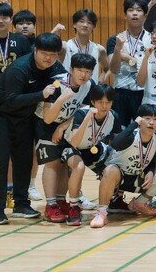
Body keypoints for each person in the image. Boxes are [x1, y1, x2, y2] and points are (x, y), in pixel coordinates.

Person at [0, 33, 66, 224]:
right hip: (1, 116)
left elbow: (68, 79)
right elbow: (12, 99)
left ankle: (21, 204)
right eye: (44, 53)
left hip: (25, 117)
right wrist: (41, 95)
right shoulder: (20, 68)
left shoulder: (55, 67)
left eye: (53, 54)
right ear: (35, 50)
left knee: (24, 161)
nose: (48, 58)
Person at [90, 104, 156, 228]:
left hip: (137, 179)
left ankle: (139, 203)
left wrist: (151, 171)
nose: (151, 122)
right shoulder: (131, 135)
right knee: (110, 170)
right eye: (147, 118)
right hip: (118, 179)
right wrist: (134, 124)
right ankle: (102, 213)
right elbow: (115, 144)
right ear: (140, 119)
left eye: (155, 119)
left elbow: (152, 159)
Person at [37, 53, 97, 223]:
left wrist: (63, 127)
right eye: (80, 70)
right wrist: (62, 98)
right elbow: (47, 118)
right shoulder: (56, 84)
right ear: (71, 69)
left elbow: (83, 109)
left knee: (65, 163)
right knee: (53, 162)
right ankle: (50, 205)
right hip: (46, 124)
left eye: (88, 72)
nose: (83, 75)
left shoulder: (89, 85)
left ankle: (61, 200)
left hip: (66, 124)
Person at [63, 84, 121, 226]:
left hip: (92, 147)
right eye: (100, 102)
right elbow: (75, 142)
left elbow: (118, 143)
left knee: (115, 165)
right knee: (79, 167)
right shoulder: (81, 114)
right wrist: (87, 119)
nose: (104, 106)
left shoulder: (113, 116)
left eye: (108, 102)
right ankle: (74, 207)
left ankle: (115, 199)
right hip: (71, 146)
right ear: (93, 102)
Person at [108, 0, 152, 127]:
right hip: (121, 92)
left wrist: (127, 58)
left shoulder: (152, 39)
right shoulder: (115, 39)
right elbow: (114, 69)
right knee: (119, 132)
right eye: (131, 10)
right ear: (125, 15)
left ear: (145, 15)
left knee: (143, 130)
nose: (135, 13)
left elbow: (150, 67)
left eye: (139, 10)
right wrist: (118, 50)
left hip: (144, 92)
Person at [61, 9, 111, 84]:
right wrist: (54, 32)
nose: (85, 25)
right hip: (68, 89)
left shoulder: (99, 49)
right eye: (81, 21)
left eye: (89, 22)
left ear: (93, 26)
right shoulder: (65, 46)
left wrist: (99, 82)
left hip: (90, 90)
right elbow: (45, 48)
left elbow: (107, 68)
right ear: (74, 24)